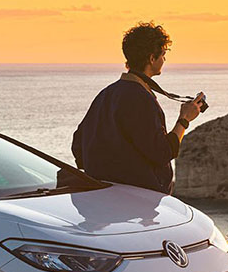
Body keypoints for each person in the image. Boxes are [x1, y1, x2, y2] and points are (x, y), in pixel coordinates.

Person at [71, 22, 205, 194]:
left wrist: (107, 175)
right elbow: (162, 153)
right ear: (151, 58)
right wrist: (184, 119)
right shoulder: (139, 98)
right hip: (138, 201)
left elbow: (78, 145)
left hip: (107, 195)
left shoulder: (106, 94)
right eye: (163, 55)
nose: (164, 60)